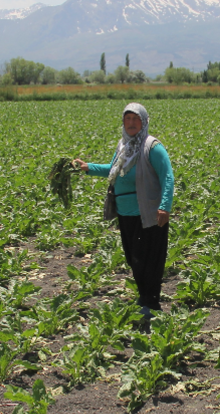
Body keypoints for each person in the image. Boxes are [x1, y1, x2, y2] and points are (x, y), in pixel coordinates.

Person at [74, 103, 174, 319]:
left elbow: (167, 176)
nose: (131, 123)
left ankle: (151, 304)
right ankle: (144, 298)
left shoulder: (152, 147)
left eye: (135, 119)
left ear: (144, 122)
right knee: (134, 259)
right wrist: (88, 167)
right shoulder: (124, 146)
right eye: (127, 119)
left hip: (148, 213)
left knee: (149, 259)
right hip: (126, 213)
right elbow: (113, 170)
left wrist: (165, 206)